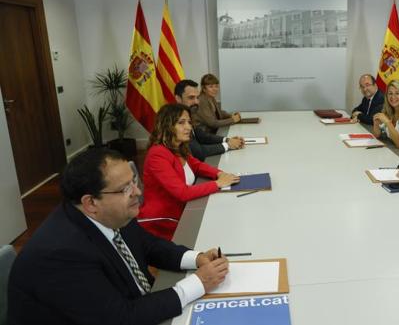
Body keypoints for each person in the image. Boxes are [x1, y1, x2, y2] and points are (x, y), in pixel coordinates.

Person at [8, 148, 229, 325]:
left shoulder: (114, 212)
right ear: (90, 202)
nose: (137, 192)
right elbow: (121, 318)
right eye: (125, 189)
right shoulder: (60, 255)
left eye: (134, 181)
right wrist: (198, 283)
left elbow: (148, 245)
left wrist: (196, 257)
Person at [138, 103, 240, 240]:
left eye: (189, 122)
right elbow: (183, 193)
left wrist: (219, 173)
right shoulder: (157, 155)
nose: (188, 127)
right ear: (167, 126)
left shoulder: (178, 147)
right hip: (163, 222)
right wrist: (218, 184)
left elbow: (197, 165)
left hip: (185, 210)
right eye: (181, 123)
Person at [174, 79, 244, 161]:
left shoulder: (188, 114)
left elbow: (202, 136)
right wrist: (228, 145)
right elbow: (198, 151)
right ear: (178, 98)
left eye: (197, 97)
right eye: (191, 98)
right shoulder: (175, 121)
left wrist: (227, 140)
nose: (196, 102)